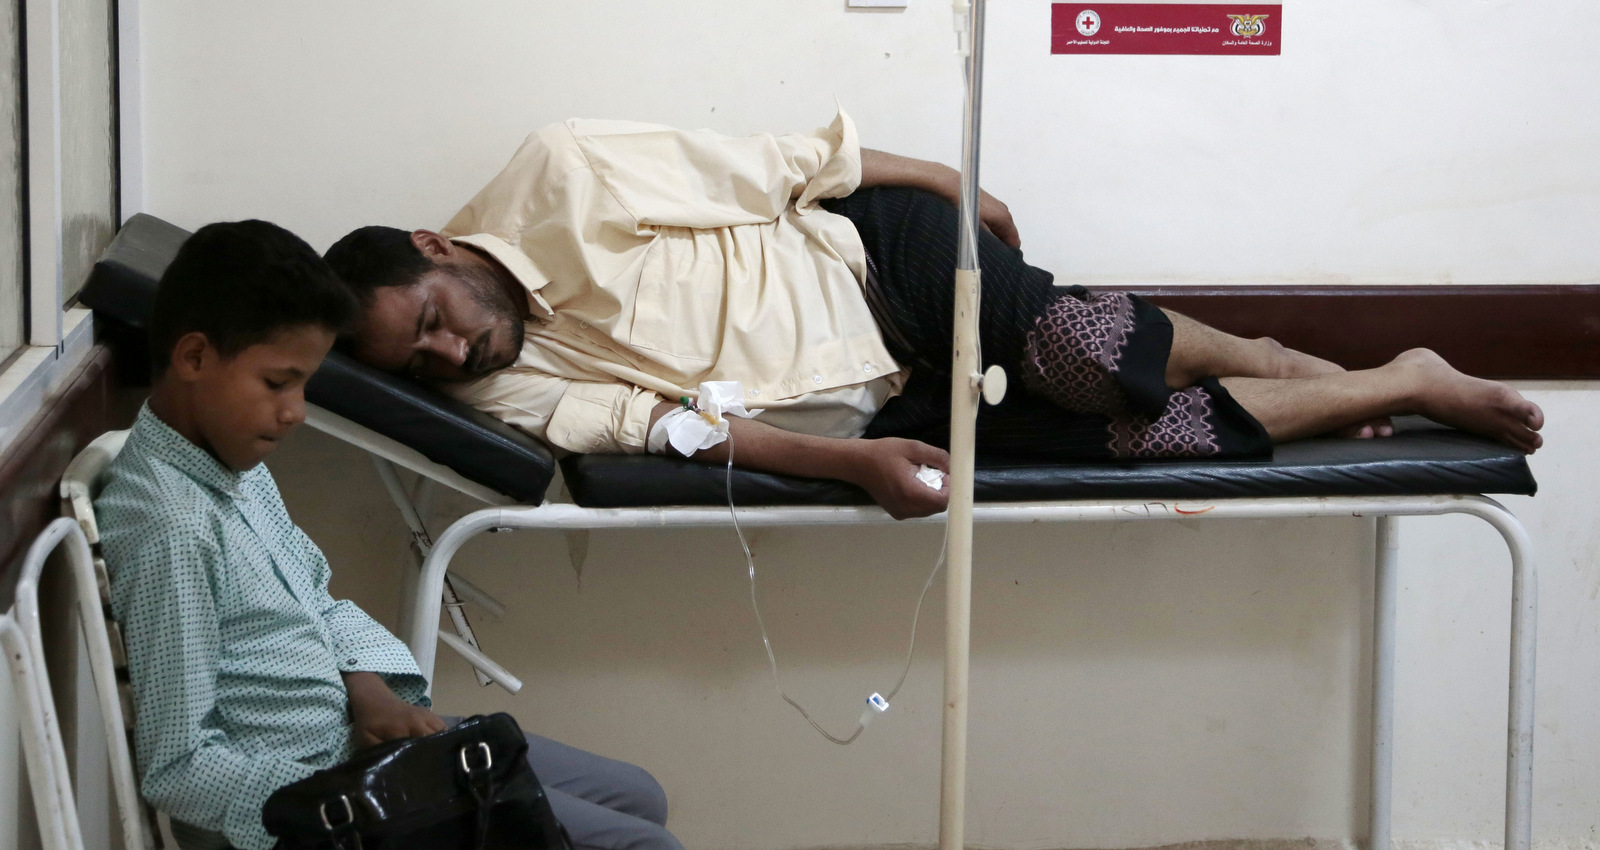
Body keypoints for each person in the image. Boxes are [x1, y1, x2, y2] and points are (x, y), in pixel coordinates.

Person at [325, 111, 1544, 520]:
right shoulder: (488, 386)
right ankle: (1396, 376)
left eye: (433, 315)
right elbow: (659, 429)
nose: (450, 350)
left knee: (1077, 350)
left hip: (878, 261)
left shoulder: (559, 171)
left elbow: (781, 159)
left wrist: (953, 182)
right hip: (887, 400)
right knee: (1152, 433)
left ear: (438, 248)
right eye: (422, 359)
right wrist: (846, 460)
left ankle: (1274, 349)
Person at [94, 220, 689, 850]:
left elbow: (316, 600)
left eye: (304, 386)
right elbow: (179, 764)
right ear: (195, 357)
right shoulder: (172, 527)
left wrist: (371, 692)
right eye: (278, 382)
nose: (293, 413)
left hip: (354, 743)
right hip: (315, 807)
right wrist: (374, 798)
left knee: (640, 795)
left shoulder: (230, 464)